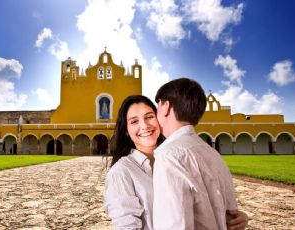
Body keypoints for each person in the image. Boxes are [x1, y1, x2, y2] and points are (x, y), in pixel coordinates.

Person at [104, 95, 247, 229]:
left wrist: (237, 219)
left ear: (159, 119)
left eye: (149, 117)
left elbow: (204, 203)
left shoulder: (179, 158)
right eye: (134, 121)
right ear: (126, 131)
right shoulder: (121, 172)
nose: (145, 125)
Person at [153, 78, 240, 229]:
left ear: (166, 107)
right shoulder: (213, 154)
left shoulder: (169, 155)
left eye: (158, 105)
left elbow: (174, 225)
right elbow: (232, 217)